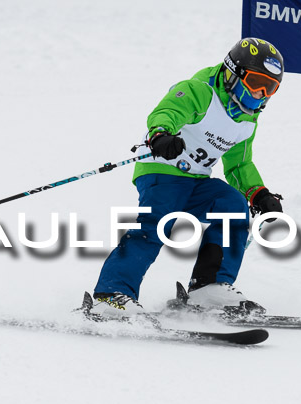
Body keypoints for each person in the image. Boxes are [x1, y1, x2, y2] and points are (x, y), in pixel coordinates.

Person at [92, 38, 285, 316]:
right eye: (255, 83)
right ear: (233, 72)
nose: (260, 94)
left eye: (270, 88)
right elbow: (168, 111)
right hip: (162, 171)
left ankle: (209, 286)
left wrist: (258, 193)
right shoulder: (199, 91)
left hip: (196, 181)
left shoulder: (247, 120)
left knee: (231, 204)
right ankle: (111, 294)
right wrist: (160, 134)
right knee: (156, 223)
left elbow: (239, 164)